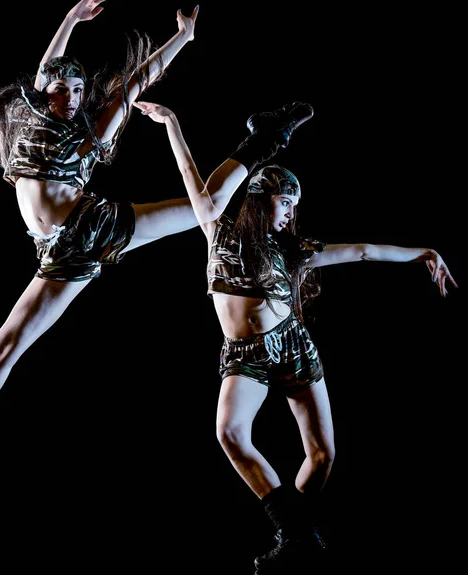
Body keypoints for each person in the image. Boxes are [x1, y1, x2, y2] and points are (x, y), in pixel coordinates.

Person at [0, 0, 205, 476]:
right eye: (62, 90)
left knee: (203, 209)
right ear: (46, 92)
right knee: (3, 348)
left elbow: (138, 80)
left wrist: (182, 37)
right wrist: (72, 18)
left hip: (92, 226)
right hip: (57, 253)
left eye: (77, 90)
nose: (71, 98)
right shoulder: (32, 122)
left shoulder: (89, 135)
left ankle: (255, 158)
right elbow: (46, 66)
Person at [132, 99, 459, 572]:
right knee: (230, 432)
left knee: (323, 455)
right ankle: (296, 532)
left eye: (295, 205)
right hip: (245, 355)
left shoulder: (294, 250)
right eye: (286, 203)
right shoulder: (218, 230)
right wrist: (172, 124)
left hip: (293, 347)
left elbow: (363, 252)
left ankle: (292, 539)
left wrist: (421, 253)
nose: (291, 213)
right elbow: (191, 176)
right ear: (263, 197)